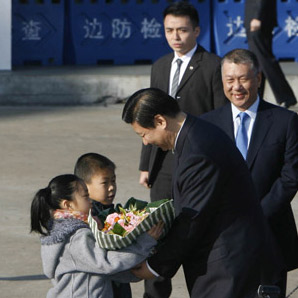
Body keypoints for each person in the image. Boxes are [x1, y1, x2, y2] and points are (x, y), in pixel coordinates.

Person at [122, 88, 285, 298]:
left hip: (230, 271)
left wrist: (155, 266)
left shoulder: (197, 152)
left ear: (160, 121)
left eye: (144, 134)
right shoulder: (197, 133)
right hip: (229, 263)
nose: (145, 142)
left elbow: (192, 219)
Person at [140, 3, 227, 295]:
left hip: (197, 161)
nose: (175, 36)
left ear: (197, 30)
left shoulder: (213, 65)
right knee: (155, 234)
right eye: (169, 30)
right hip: (163, 165)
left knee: (192, 231)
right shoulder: (160, 65)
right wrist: (145, 164)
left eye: (182, 29)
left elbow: (220, 118)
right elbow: (147, 118)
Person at [200, 48, 298, 298]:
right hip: (222, 239)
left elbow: (290, 178)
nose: (237, 87)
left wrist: (257, 216)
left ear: (258, 78)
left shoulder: (285, 121)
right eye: (230, 80)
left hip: (270, 233)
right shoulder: (208, 125)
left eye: (243, 78)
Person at [30, 174, 164, 298]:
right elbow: (106, 263)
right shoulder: (74, 238)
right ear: (68, 204)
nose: (90, 201)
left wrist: (134, 272)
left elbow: (102, 270)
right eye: (85, 196)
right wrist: (144, 243)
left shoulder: (72, 230)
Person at [74, 152, 132, 298]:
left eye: (113, 181)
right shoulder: (89, 217)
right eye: (105, 182)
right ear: (84, 186)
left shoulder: (110, 210)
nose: (112, 187)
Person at [244, 0, 297, 108]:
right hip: (256, 18)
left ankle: (286, 96)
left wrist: (258, 16)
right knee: (258, 63)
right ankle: (257, 99)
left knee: (264, 60)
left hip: (258, 20)